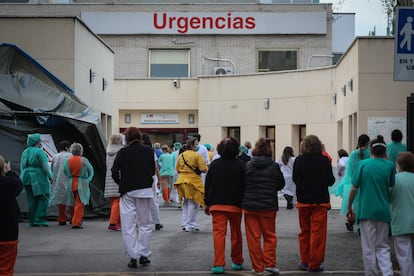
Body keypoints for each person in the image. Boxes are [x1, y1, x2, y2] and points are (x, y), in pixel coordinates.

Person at [346, 135, 395, 276]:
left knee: (368, 247)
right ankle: (387, 272)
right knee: (383, 246)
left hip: (366, 211)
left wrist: (349, 206)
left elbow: (354, 188)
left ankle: (372, 273)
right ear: (384, 151)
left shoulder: (363, 164)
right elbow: (391, 187)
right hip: (383, 211)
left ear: (371, 150)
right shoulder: (390, 166)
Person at [112, 127, 156, 267]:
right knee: (145, 224)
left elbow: (114, 171)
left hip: (128, 191)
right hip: (145, 190)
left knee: (128, 225)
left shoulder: (123, 152)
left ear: (127, 138)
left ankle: (133, 256)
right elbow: (152, 168)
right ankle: (144, 254)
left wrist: (121, 183)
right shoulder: (149, 151)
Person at [241, 138, 285, 275]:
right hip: (268, 206)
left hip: (250, 206)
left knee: (253, 237)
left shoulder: (248, 165)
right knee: (270, 236)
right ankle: (270, 263)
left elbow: (243, 184)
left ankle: (257, 266)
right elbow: (281, 184)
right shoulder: (274, 166)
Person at [292, 135, 335, 272]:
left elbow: (295, 179)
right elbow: (330, 181)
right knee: (318, 234)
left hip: (303, 201)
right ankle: (314, 263)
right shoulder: (324, 160)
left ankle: (304, 260)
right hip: (320, 202)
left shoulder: (298, 160)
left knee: (304, 232)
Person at [204, 137, 246, 274]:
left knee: (218, 234)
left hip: (217, 204)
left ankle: (218, 263)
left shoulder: (215, 165)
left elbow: (208, 185)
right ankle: (237, 260)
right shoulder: (240, 165)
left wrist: (207, 203)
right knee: (236, 233)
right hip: (235, 204)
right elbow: (245, 185)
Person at [337, 134, 370, 232]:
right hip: (366, 182)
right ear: (368, 143)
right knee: (363, 203)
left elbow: (349, 169)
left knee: (353, 203)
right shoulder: (369, 153)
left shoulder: (353, 154)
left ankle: (350, 220)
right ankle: (361, 224)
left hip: (354, 182)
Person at [174, 137, 208, 232]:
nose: (197, 146)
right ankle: (190, 225)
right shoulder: (197, 156)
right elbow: (204, 169)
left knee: (185, 203)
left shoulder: (181, 155)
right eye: (196, 144)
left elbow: (177, 168)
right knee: (193, 203)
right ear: (192, 145)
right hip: (193, 182)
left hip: (181, 181)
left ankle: (184, 223)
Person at [20, 133, 53, 227]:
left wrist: (22, 176)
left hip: (26, 176)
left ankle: (32, 220)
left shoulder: (25, 152)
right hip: (38, 177)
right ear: (37, 142)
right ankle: (39, 219)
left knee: (31, 199)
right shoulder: (40, 152)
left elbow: (22, 166)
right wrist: (51, 176)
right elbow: (45, 166)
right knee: (44, 197)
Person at [390, 151, 414, 276]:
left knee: (404, 256)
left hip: (400, 222)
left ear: (399, 165)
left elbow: (388, 197)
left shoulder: (395, 180)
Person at [0, 155, 23, 276]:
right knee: (5, 268)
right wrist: (9, 172)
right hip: (7, 232)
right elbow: (18, 184)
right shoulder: (9, 183)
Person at [64, 143, 94, 229]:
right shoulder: (84, 160)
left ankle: (74, 219)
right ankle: (76, 222)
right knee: (79, 203)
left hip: (70, 182)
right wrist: (88, 179)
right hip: (82, 183)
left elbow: (65, 171)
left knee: (73, 203)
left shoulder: (67, 160)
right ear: (81, 151)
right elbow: (91, 171)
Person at [142, 133, 164, 231]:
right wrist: (159, 179)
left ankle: (143, 221)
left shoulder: (136, 150)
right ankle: (157, 222)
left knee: (141, 201)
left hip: (140, 177)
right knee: (153, 201)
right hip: (151, 177)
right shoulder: (151, 151)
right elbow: (155, 166)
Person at [49, 140, 72, 226]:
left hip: (58, 180)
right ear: (67, 148)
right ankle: (73, 218)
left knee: (60, 199)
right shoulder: (71, 155)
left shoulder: (55, 156)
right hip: (70, 179)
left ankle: (62, 218)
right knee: (71, 200)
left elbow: (52, 168)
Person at [104, 134, 124, 231]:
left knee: (113, 202)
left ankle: (117, 222)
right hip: (118, 176)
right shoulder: (121, 151)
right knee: (118, 201)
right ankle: (113, 222)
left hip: (109, 178)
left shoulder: (108, 150)